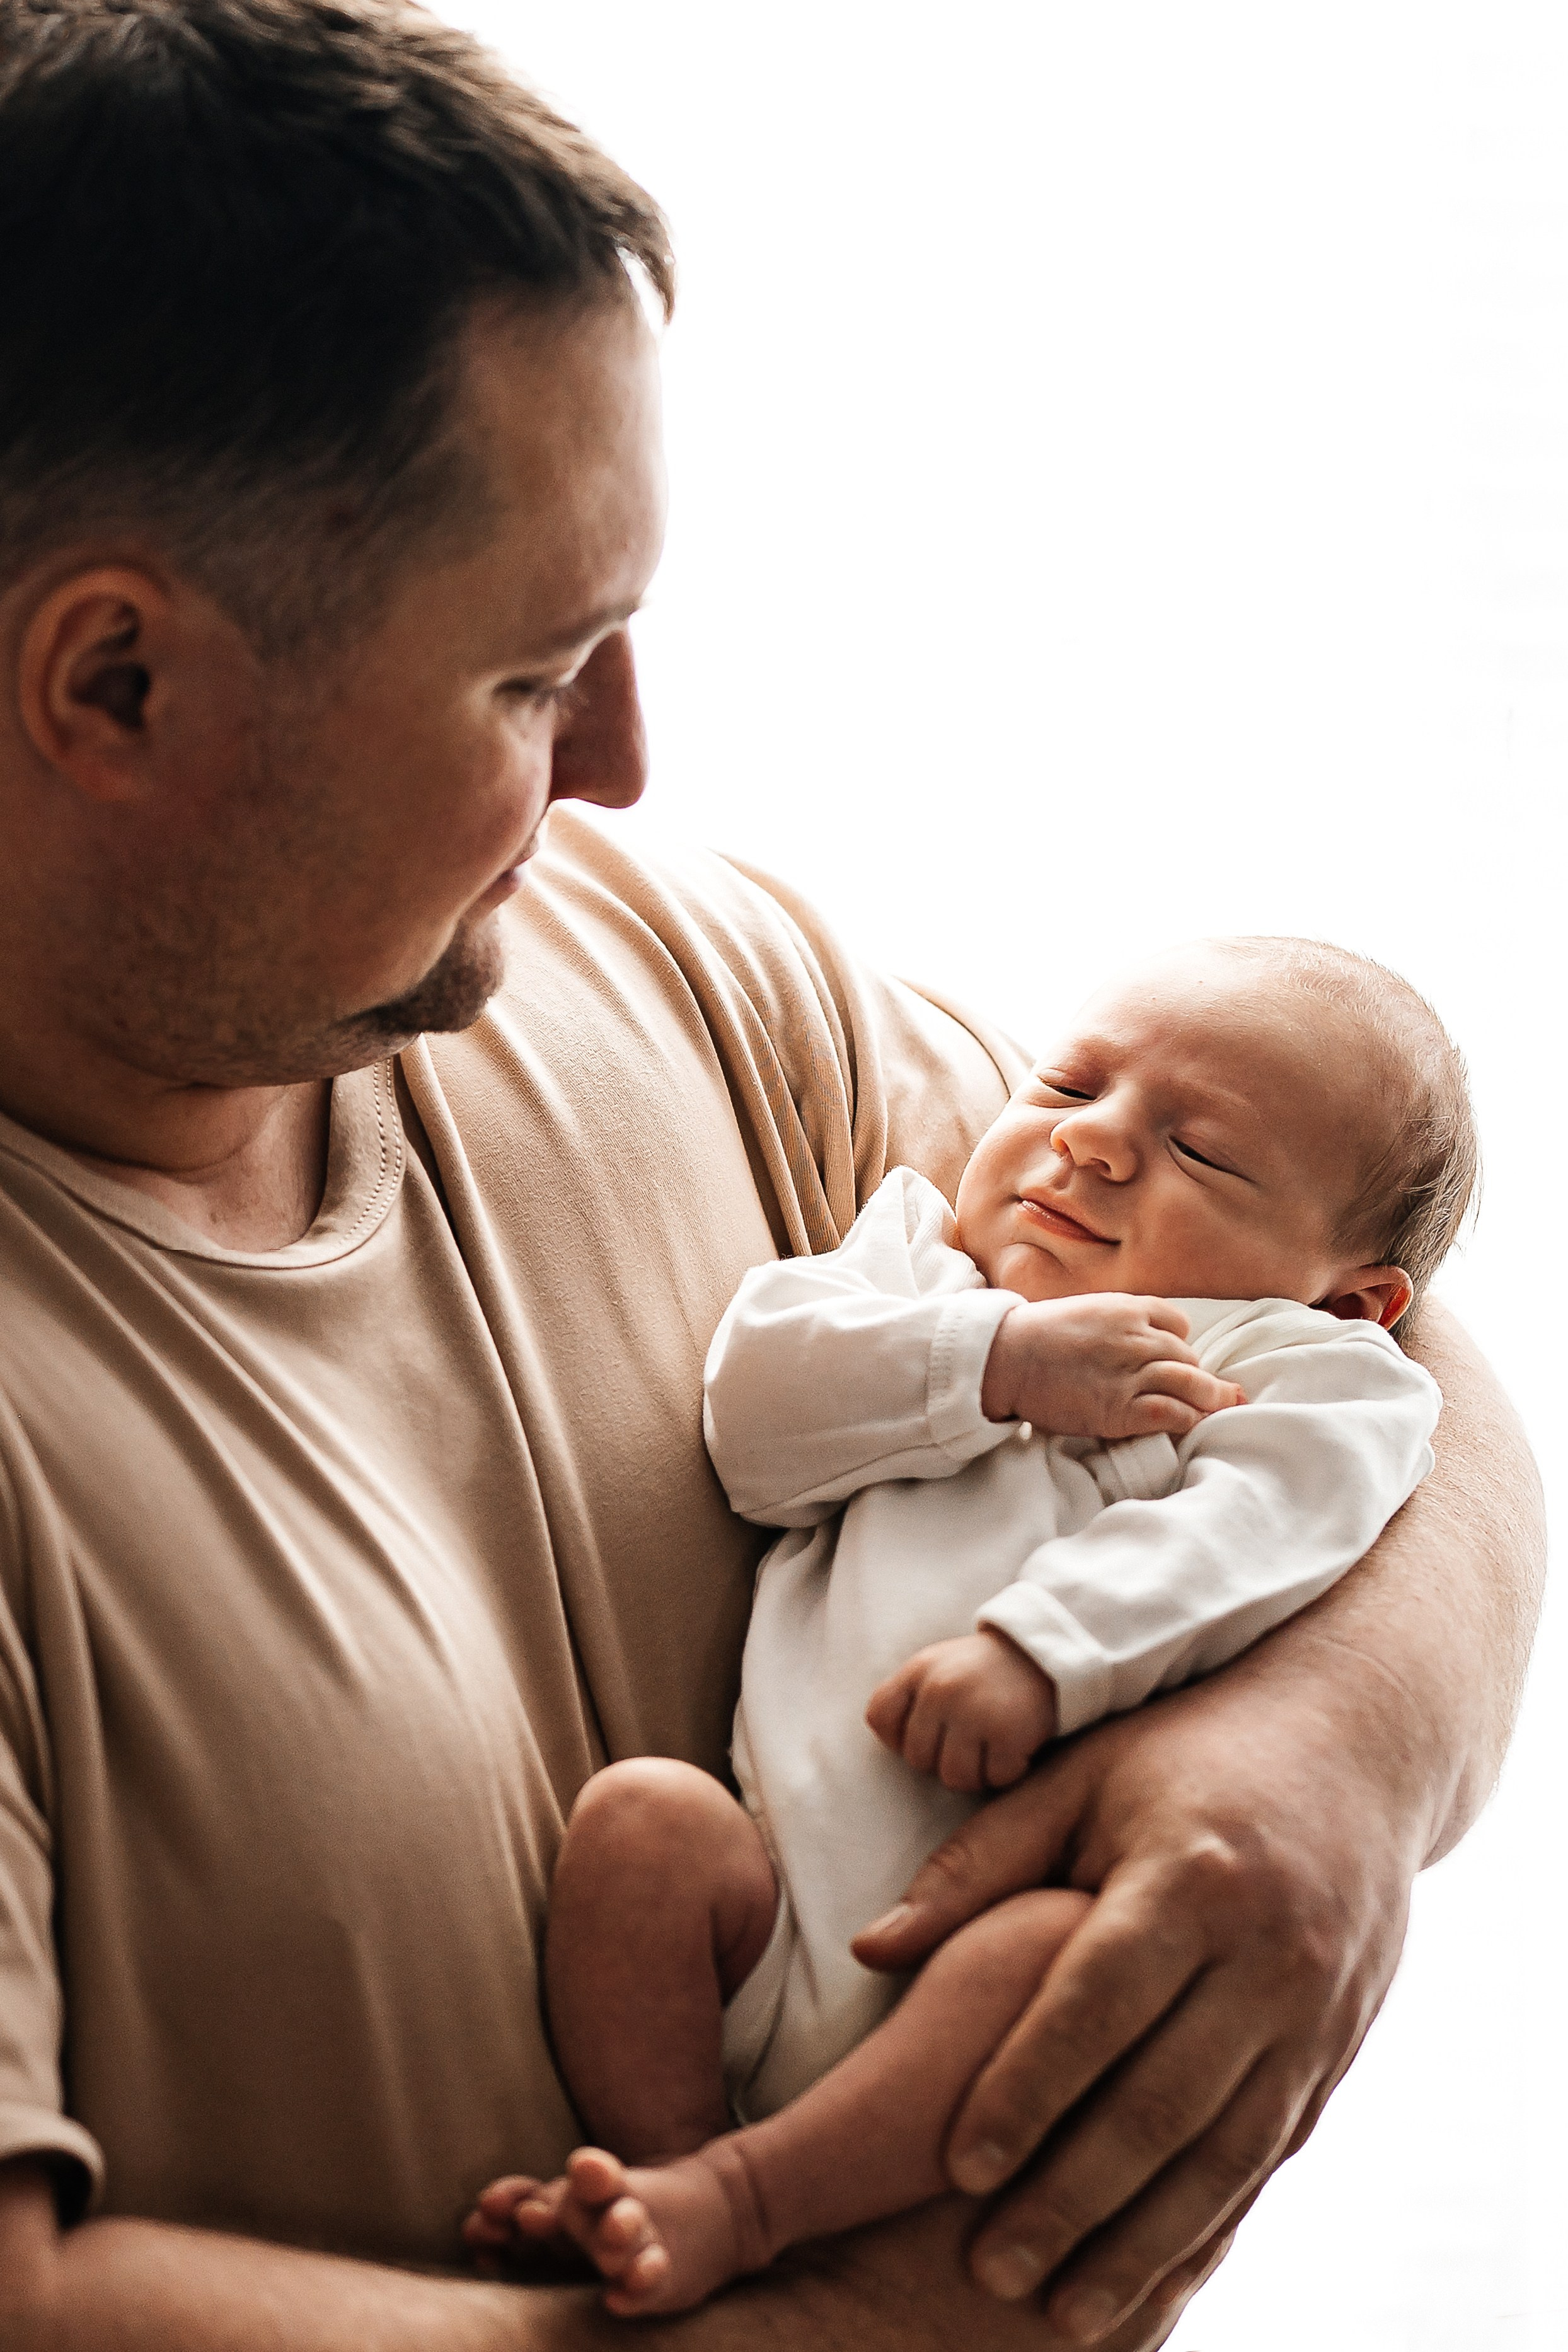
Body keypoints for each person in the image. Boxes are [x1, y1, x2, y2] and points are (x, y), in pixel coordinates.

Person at [0, 5, 1543, 2351]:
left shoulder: (694, 977)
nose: (624, 767)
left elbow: (1360, 1326)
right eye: (538, 676)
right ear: (111, 685)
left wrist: (1330, 1754)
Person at [464, 937, 1461, 2315]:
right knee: (640, 1827)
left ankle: (746, 2204)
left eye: (1204, 1154)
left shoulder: (1300, 1369)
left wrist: (1046, 1648)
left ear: (1350, 1294)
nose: (1094, 1146)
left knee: (1053, 1964)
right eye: (1066, 1086)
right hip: (768, 1904)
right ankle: (666, 2173)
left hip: (985, 1952)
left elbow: (1261, 1524)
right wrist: (990, 1364)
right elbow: (753, 1419)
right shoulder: (917, 1269)